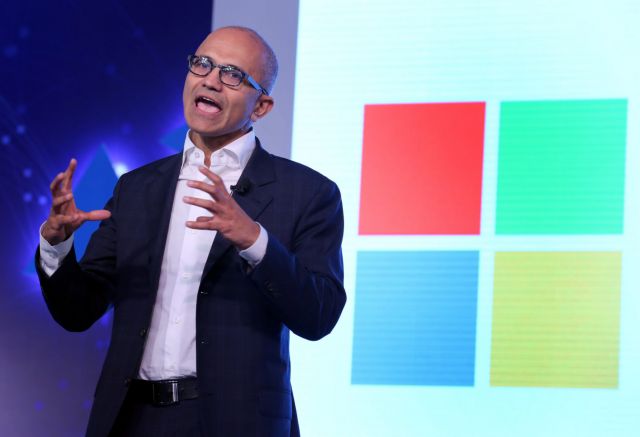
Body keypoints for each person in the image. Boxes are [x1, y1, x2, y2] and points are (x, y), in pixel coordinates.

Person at [36, 26, 345, 437]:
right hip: (133, 419)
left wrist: (254, 240)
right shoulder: (137, 188)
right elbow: (78, 311)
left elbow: (319, 315)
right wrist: (57, 244)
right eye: (202, 64)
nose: (211, 80)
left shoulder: (308, 192)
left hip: (235, 424)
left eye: (232, 74)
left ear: (261, 106)